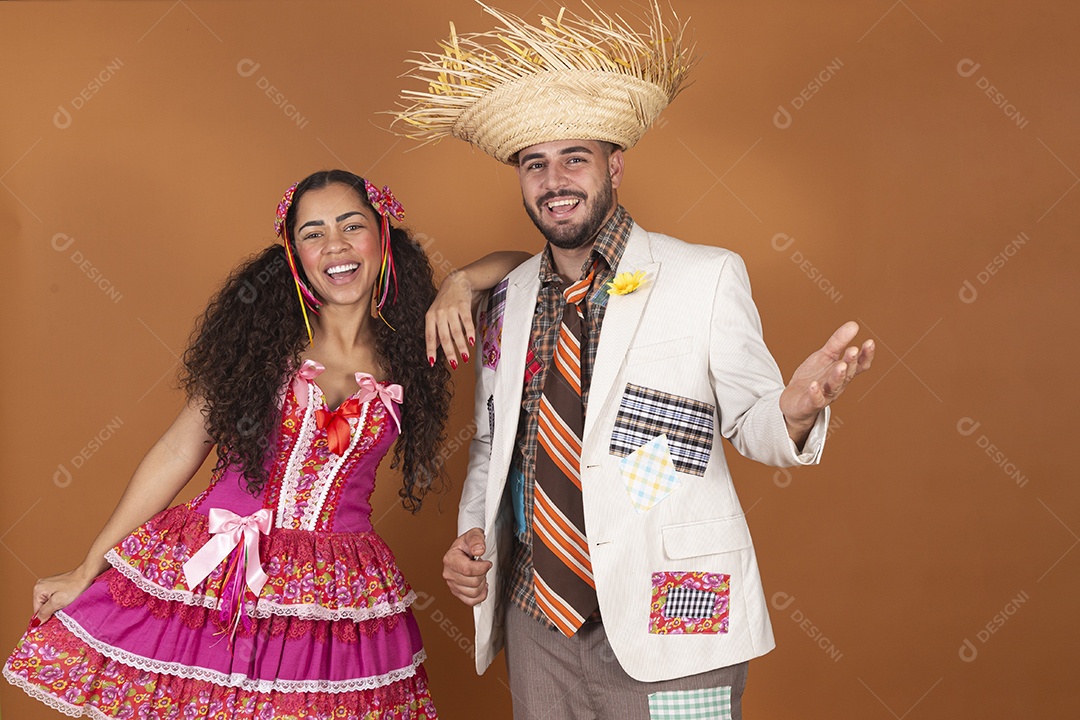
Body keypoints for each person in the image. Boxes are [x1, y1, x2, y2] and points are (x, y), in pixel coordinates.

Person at [402, 4, 875, 719]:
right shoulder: (510, 298)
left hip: (677, 613)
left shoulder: (705, 276)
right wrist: (473, 535)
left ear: (614, 165)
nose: (554, 180)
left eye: (575, 159)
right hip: (539, 621)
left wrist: (797, 408)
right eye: (536, 164)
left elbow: (753, 422)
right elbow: (495, 443)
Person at [3, 170, 453, 719]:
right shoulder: (264, 348)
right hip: (222, 569)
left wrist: (462, 283)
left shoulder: (416, 346)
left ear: (384, 235)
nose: (334, 245)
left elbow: (515, 268)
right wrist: (85, 569)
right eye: (312, 233)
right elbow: (176, 453)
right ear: (294, 255)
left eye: (351, 225)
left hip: (333, 590)